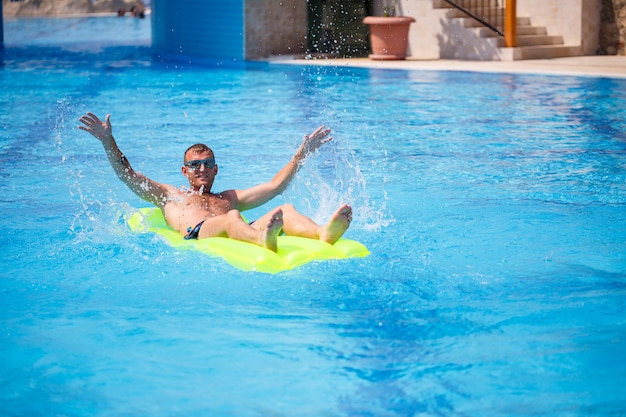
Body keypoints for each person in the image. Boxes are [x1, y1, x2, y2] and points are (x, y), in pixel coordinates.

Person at [78, 112, 352, 252]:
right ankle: (261, 239)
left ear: (216, 169)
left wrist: (301, 153)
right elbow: (129, 175)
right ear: (184, 171)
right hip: (197, 233)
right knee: (233, 218)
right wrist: (107, 140)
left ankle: (322, 234)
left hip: (234, 225)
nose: (202, 169)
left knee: (287, 209)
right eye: (195, 165)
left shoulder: (227, 197)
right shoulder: (169, 195)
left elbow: (275, 186)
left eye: (208, 164)